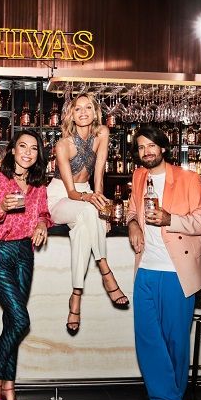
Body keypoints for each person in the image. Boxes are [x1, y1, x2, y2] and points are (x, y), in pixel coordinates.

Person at [126, 125, 201, 400]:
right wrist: (133, 225)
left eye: (151, 145)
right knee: (148, 339)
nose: (146, 152)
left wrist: (169, 219)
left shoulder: (188, 179)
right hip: (145, 269)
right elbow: (132, 210)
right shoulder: (139, 176)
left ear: (162, 148)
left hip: (176, 272)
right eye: (141, 147)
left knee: (175, 341)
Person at [0, 130, 53, 400]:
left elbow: (44, 213)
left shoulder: (38, 184)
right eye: (23, 146)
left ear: (38, 155)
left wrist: (42, 224)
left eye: (34, 148)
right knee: (21, 320)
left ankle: (9, 389)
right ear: (11, 150)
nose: (28, 152)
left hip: (24, 253)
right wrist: (1, 208)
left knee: (12, 321)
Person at [47, 93, 129, 336]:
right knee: (87, 211)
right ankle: (106, 270)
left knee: (84, 227)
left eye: (88, 108)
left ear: (95, 113)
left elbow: (99, 173)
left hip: (87, 195)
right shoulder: (63, 145)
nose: (83, 112)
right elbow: (72, 191)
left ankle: (76, 295)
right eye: (77, 108)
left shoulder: (102, 133)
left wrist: (99, 202)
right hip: (61, 195)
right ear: (71, 115)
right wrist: (90, 201)